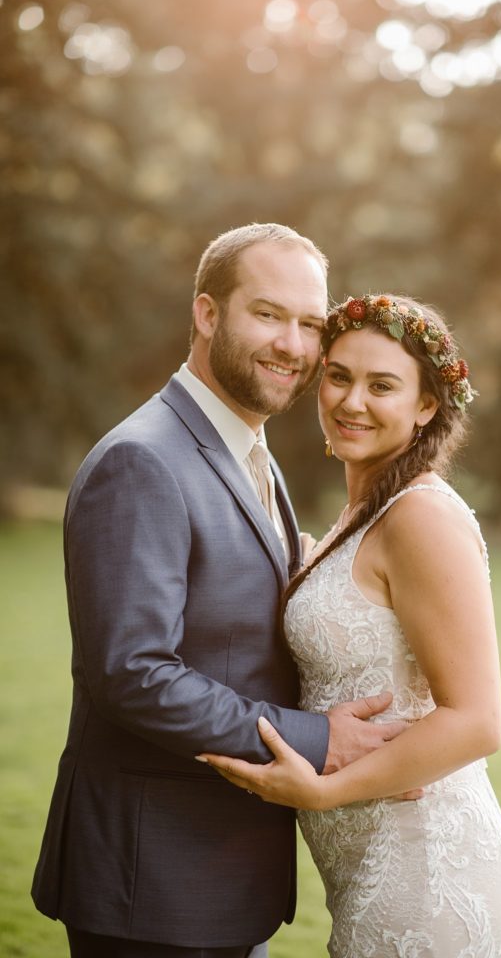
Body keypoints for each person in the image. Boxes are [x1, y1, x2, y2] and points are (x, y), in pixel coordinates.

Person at [32, 227, 408, 958]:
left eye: (309, 324)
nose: (294, 346)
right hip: (152, 886)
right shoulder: (143, 461)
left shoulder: (249, 454)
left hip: (220, 876)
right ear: (207, 314)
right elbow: (131, 673)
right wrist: (319, 739)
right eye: (268, 314)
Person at [201, 293, 501, 958]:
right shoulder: (358, 517)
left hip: (427, 869)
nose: (352, 402)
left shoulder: (420, 519)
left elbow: (476, 720)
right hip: (368, 871)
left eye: (383, 386)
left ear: (426, 406)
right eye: (340, 376)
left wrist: (322, 792)